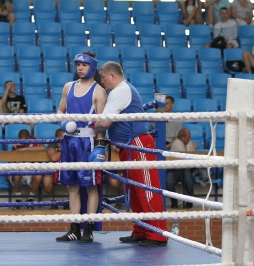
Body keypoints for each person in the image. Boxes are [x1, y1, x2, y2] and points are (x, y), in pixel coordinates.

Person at [95, 61, 168, 248]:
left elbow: (104, 123)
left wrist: (89, 126)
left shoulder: (120, 91)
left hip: (138, 144)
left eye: (103, 78)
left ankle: (157, 234)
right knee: (134, 191)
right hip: (129, 146)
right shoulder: (120, 90)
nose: (102, 82)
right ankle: (141, 230)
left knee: (146, 189)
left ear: (112, 75)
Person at [55, 52, 107, 243]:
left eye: (84, 65)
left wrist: (100, 147)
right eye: (78, 64)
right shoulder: (68, 87)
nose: (80, 68)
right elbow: (60, 110)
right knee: (73, 186)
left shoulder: (99, 91)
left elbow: (102, 122)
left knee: (91, 187)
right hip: (69, 141)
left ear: (92, 67)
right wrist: (63, 122)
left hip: (88, 142)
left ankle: (89, 229)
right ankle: (74, 229)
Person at [8, 129, 45, 210]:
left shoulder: (36, 140)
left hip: (32, 170)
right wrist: (9, 170)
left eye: (25, 141)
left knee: (39, 176)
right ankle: (18, 200)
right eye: (21, 141)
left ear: (29, 138)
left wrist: (24, 150)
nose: (23, 143)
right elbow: (10, 159)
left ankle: (30, 199)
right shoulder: (16, 144)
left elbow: (43, 148)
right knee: (16, 175)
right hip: (20, 169)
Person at [166, 128, 196, 209]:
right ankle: (174, 202)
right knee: (169, 181)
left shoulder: (189, 143)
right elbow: (186, 158)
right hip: (174, 169)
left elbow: (192, 157)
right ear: (182, 137)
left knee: (189, 179)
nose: (190, 138)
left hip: (185, 169)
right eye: (188, 137)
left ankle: (190, 202)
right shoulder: (176, 143)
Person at [45, 128, 65, 209]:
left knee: (69, 173)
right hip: (53, 169)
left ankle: (67, 200)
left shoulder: (70, 142)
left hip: (66, 168)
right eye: (64, 137)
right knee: (47, 180)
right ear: (58, 138)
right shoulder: (52, 144)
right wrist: (65, 151)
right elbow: (53, 158)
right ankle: (52, 199)